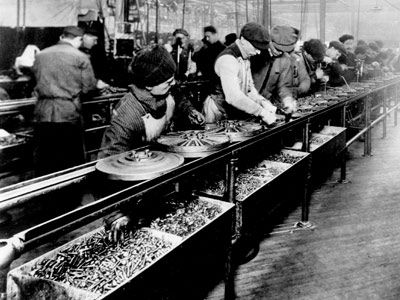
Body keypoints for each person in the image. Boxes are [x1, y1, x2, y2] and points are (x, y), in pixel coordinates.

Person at [32, 26, 98, 175]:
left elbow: (34, 82)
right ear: (78, 39)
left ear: (62, 37)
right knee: (68, 162)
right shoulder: (81, 57)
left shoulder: (41, 55)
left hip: (42, 113)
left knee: (44, 161)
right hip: (67, 114)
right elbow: (89, 87)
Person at [98, 45, 176, 158]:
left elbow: (179, 96)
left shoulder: (164, 90)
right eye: (168, 82)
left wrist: (190, 110)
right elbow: (110, 159)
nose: (173, 83)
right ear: (149, 85)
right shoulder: (127, 114)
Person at [203, 22, 277, 125]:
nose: (258, 52)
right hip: (218, 112)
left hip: (233, 111)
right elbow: (233, 97)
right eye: (255, 47)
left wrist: (263, 102)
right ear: (243, 40)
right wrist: (261, 112)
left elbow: (249, 89)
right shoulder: (228, 59)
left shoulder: (245, 56)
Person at [251, 25, 297, 113]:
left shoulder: (285, 59)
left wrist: (287, 99)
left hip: (267, 105)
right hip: (246, 103)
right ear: (270, 41)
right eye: (277, 48)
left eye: (284, 51)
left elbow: (283, 86)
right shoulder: (253, 54)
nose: (280, 52)